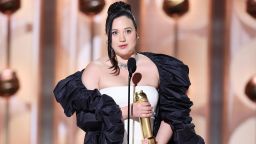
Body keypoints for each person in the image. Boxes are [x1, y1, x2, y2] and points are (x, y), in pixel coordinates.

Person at [53, 1, 205, 144]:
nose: (122, 38)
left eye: (128, 31)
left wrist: (157, 142)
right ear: (109, 38)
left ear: (136, 33)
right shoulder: (95, 70)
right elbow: (87, 119)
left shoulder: (157, 67)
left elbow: (173, 114)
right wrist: (128, 111)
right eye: (115, 33)